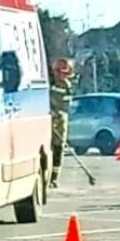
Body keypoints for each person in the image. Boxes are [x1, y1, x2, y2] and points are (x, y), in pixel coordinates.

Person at [49, 58, 75, 186]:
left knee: (58, 147)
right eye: (57, 71)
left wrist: (56, 115)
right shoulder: (49, 81)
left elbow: (64, 106)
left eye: (63, 72)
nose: (59, 74)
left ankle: (54, 177)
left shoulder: (67, 87)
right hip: (46, 117)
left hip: (59, 119)